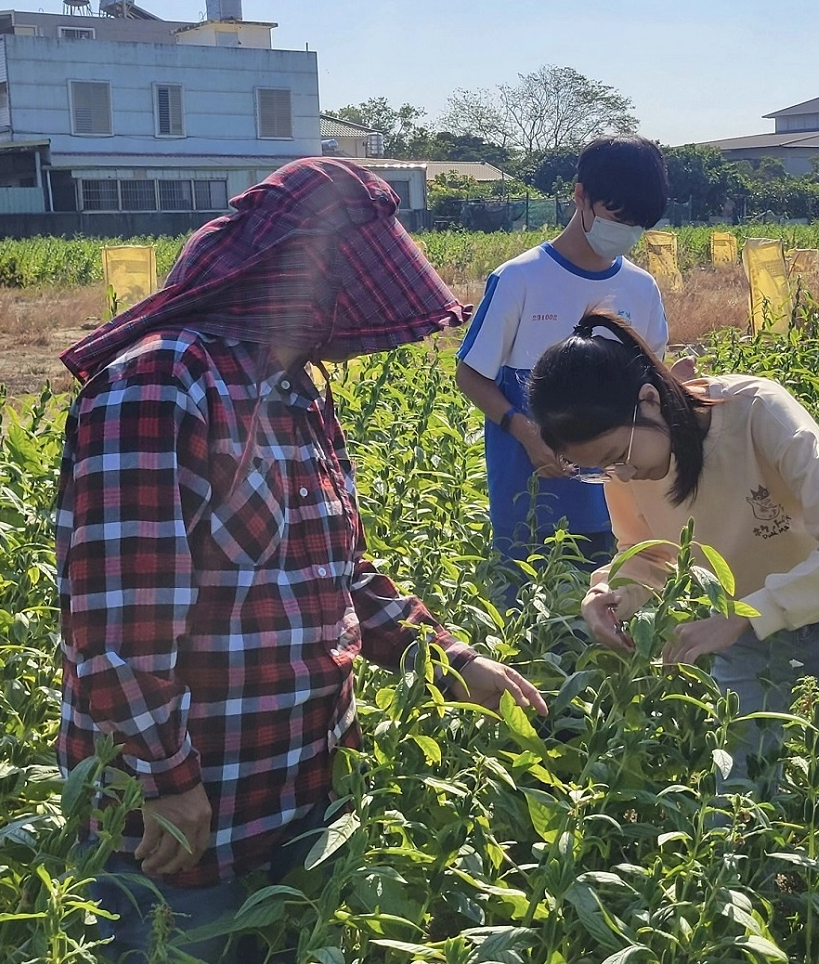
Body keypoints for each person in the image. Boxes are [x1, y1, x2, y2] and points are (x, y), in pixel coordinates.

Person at [55, 158, 546, 961]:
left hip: (297, 796)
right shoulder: (160, 382)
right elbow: (116, 622)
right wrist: (167, 781)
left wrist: (451, 657)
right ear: (294, 281)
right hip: (183, 822)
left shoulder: (295, 390)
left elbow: (340, 573)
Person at [526, 310, 819, 773]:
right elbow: (647, 552)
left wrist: (747, 615)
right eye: (600, 468)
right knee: (741, 784)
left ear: (649, 400)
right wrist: (612, 591)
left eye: (616, 456)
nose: (619, 474)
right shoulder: (626, 466)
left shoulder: (755, 412)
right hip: (740, 628)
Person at [455, 136, 670, 602]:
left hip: (619, 504)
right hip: (531, 497)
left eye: (639, 222)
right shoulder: (520, 279)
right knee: (527, 621)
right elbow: (470, 375)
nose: (627, 230)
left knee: (606, 627)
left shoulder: (641, 288)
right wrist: (529, 433)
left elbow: (655, 385)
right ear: (580, 196)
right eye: (618, 215)